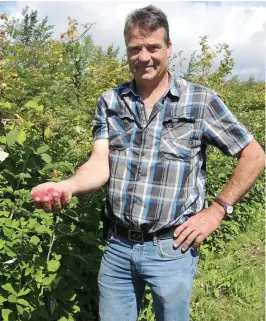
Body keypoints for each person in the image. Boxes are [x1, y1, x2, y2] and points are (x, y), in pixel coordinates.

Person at [31, 5, 265, 321]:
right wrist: (67, 186)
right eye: (134, 49)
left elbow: (253, 154)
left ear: (168, 48)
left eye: (153, 47)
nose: (144, 57)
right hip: (118, 247)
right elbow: (99, 163)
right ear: (127, 52)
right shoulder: (111, 102)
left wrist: (218, 209)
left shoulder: (200, 101)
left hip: (173, 248)